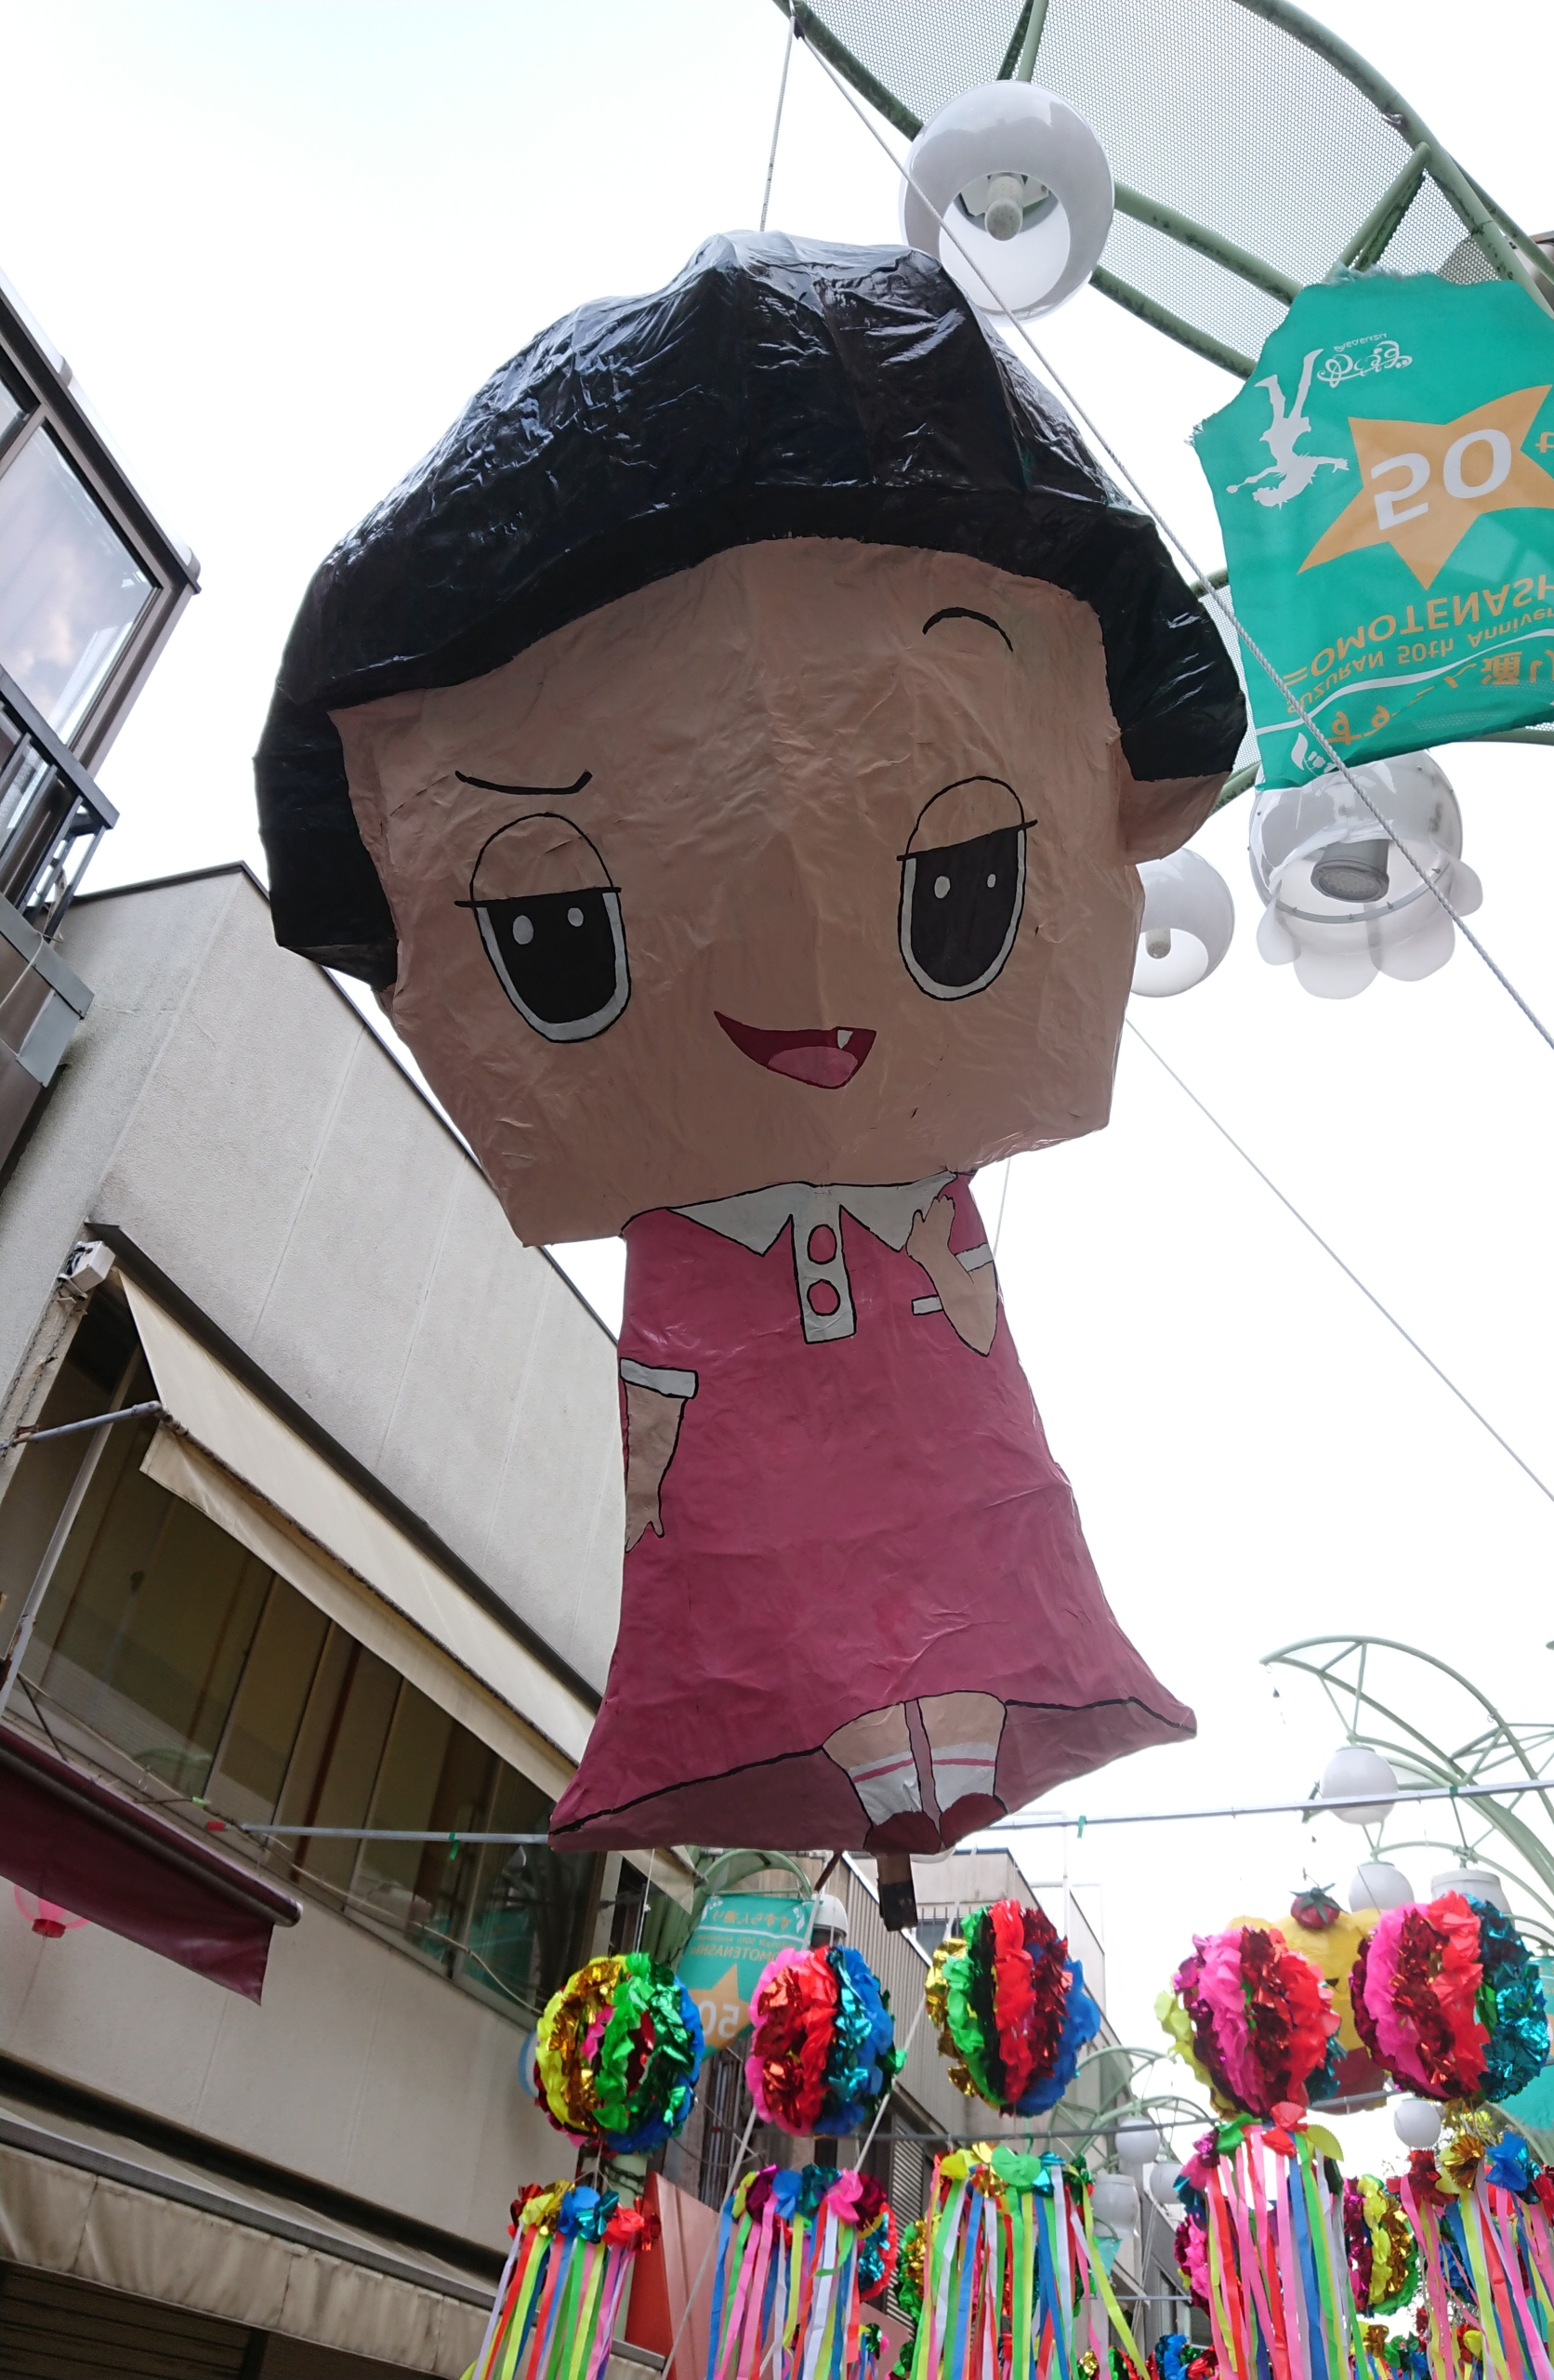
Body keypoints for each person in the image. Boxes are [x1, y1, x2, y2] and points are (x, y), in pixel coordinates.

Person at [256, 233, 1245, 1855]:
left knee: (949, 1525)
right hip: (782, 1356)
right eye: (551, 935)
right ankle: (883, 1732)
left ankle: (963, 1714)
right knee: (796, 1537)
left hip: (841, 1349)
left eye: (968, 886)